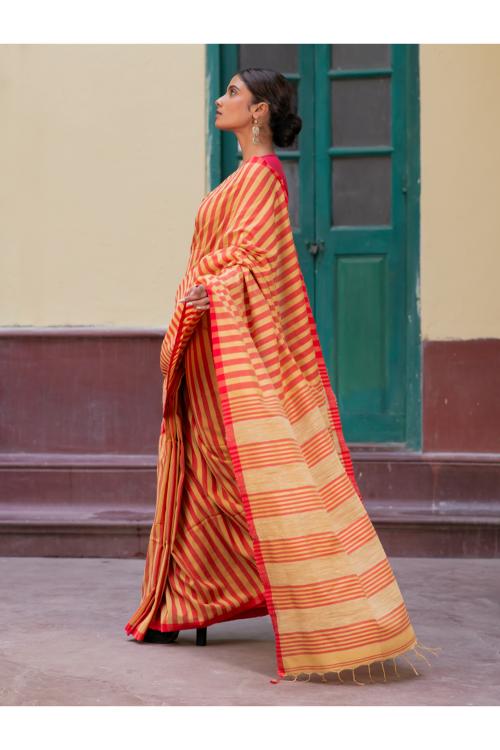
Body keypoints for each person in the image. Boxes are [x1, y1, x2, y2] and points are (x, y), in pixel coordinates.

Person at [124, 68, 441, 684]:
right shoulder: (240, 178)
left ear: (260, 110)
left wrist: (212, 290)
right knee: (204, 468)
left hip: (235, 343)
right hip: (209, 346)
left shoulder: (266, 180)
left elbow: (254, 263)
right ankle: (187, 598)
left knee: (262, 476)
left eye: (234, 93)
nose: (221, 100)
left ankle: (339, 601)